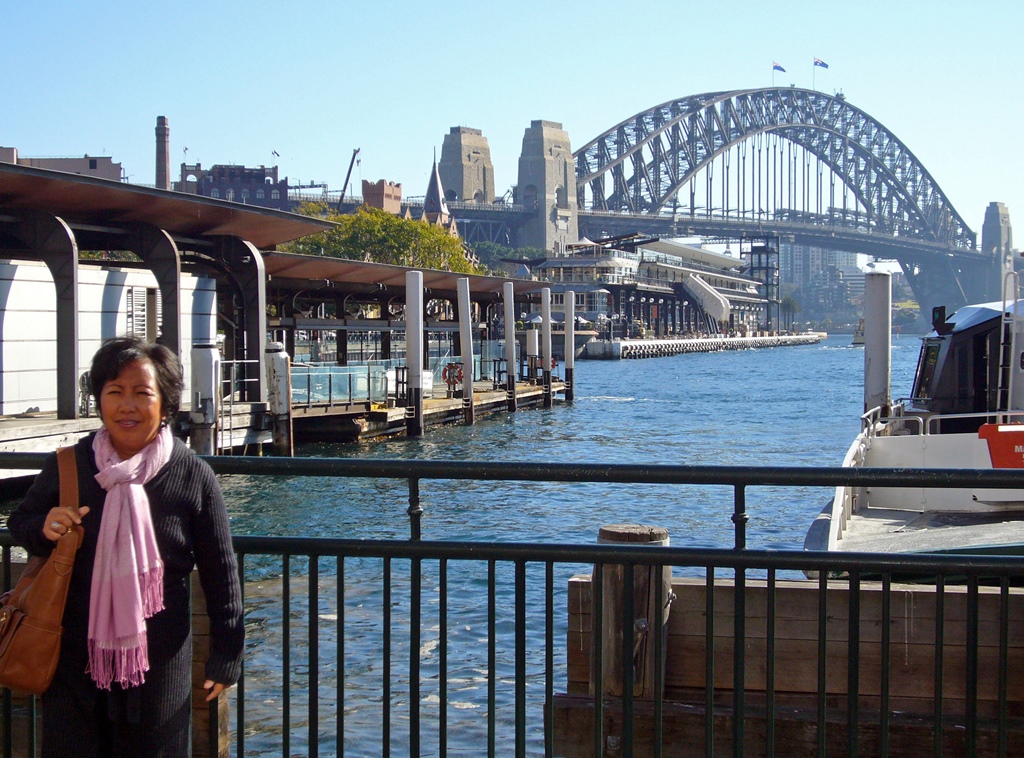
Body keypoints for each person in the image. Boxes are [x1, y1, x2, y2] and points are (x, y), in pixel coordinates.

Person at [8, 336, 244, 757]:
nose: (127, 406)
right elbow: (21, 523)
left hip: (160, 659)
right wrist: (44, 527)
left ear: (166, 403)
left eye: (142, 393)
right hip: (71, 655)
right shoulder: (69, 464)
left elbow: (219, 569)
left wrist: (227, 655)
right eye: (114, 392)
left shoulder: (192, 475)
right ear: (99, 400)